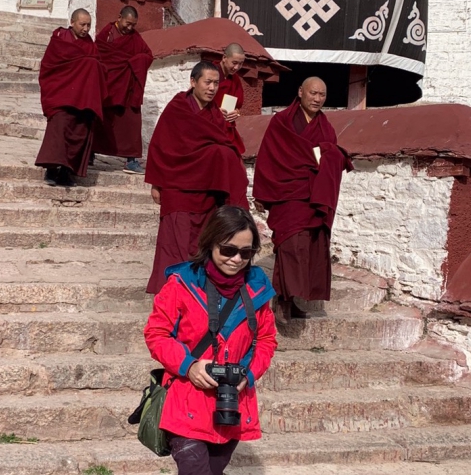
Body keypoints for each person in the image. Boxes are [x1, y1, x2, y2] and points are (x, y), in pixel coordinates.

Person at [144, 205, 277, 475]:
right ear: (210, 244)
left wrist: (249, 375)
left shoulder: (258, 289)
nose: (236, 259)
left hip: (231, 404)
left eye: (246, 252)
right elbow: (156, 334)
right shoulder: (181, 284)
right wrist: (189, 365)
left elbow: (266, 340)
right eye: (228, 250)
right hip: (186, 401)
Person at [253, 77, 353, 324]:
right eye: (313, 93)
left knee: (310, 248)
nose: (317, 99)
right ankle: (282, 299)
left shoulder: (326, 127)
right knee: (290, 245)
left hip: (314, 197)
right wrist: (262, 194)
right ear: (300, 92)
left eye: (322, 95)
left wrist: (334, 156)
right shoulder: (281, 122)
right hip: (288, 195)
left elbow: (330, 156)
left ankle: (295, 298)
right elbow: (268, 158)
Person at [145, 61, 249, 294]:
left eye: (216, 83)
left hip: (207, 193)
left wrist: (229, 124)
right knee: (175, 245)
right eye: (208, 82)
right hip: (177, 189)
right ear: (193, 82)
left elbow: (228, 147)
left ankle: (197, 295)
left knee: (202, 245)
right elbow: (160, 146)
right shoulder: (178, 108)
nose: (212, 88)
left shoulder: (215, 114)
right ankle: (171, 296)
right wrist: (156, 183)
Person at [35, 8, 107, 187]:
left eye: (89, 25)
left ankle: (67, 172)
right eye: (82, 24)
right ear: (72, 22)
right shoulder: (60, 40)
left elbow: (99, 67)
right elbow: (49, 67)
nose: (86, 28)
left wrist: (91, 66)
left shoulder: (90, 44)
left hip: (83, 99)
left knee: (79, 132)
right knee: (58, 129)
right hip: (62, 95)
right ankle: (51, 170)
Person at [92, 6, 154, 174]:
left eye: (133, 25)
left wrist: (134, 62)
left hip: (127, 88)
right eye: (128, 23)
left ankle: (131, 160)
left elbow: (148, 55)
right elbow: (98, 56)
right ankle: (90, 152)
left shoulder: (135, 38)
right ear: (119, 17)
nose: (130, 28)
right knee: (99, 119)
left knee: (131, 123)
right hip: (107, 85)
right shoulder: (106, 34)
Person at [213, 43, 247, 155]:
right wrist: (215, 111)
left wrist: (236, 112)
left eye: (240, 64)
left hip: (226, 127)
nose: (237, 67)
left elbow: (238, 105)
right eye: (234, 63)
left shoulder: (235, 80)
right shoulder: (210, 74)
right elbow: (197, 100)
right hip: (210, 125)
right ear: (224, 58)